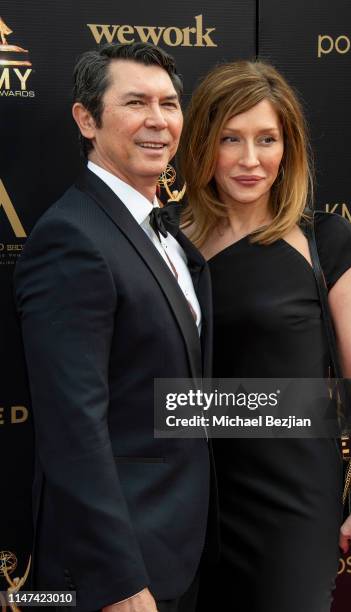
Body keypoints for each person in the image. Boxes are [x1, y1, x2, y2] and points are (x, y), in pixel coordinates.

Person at [178, 60, 351, 612]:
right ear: (203, 144)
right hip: (186, 500)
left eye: (267, 139)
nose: (250, 160)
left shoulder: (327, 242)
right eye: (231, 138)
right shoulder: (170, 243)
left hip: (290, 501)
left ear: (288, 147)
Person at [14, 42, 214, 612]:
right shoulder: (72, 238)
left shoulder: (165, 231)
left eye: (169, 103)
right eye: (135, 102)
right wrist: (117, 582)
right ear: (86, 119)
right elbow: (72, 429)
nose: (158, 120)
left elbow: (172, 396)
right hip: (115, 575)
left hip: (179, 548)